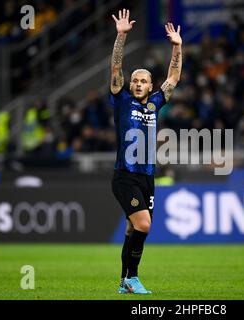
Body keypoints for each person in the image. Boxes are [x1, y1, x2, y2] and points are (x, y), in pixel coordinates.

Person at [109, 9, 182, 294]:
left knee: (132, 230)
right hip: (124, 175)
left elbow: (173, 77)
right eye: (135, 80)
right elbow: (116, 70)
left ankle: (123, 281)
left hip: (147, 177)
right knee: (144, 225)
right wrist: (121, 36)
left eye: (143, 81)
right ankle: (133, 278)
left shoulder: (154, 104)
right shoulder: (122, 100)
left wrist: (177, 46)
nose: (138, 83)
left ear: (150, 87)